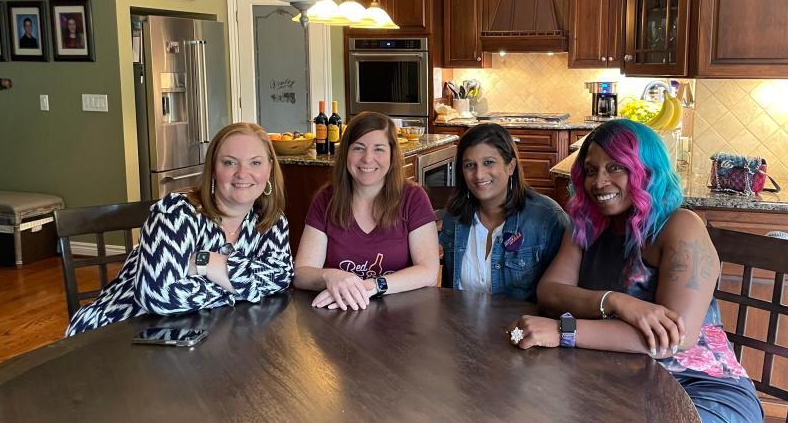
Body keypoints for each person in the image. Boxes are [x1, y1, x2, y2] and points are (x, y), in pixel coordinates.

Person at [507, 119, 763, 423]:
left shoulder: (681, 226)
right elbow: (550, 291)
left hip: (697, 390)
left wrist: (565, 331)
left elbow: (674, 339)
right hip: (617, 377)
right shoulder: (586, 225)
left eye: (615, 167)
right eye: (591, 170)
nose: (599, 181)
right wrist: (616, 302)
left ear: (646, 170)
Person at [66, 122, 293, 336]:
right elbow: (158, 296)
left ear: (269, 168)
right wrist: (242, 288)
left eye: (255, 162)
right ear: (213, 169)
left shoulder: (270, 221)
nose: (242, 174)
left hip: (193, 337)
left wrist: (204, 262)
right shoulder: (176, 213)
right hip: (114, 334)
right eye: (230, 162)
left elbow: (281, 277)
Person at [294, 111, 440, 310]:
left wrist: (371, 286)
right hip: (339, 318)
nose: (368, 158)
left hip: (401, 319)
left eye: (379, 149)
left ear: (392, 154)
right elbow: (301, 273)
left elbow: (429, 272)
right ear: (346, 152)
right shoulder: (326, 199)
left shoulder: (413, 198)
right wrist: (330, 276)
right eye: (358, 148)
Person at [439, 123, 567, 301]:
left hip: (519, 328)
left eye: (488, 163)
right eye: (470, 165)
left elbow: (563, 296)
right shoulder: (454, 217)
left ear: (511, 166)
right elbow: (448, 293)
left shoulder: (547, 219)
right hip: (462, 327)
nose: (479, 175)